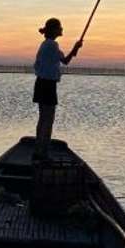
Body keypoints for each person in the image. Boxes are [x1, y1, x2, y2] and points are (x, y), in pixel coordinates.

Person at [32, 17, 81, 159]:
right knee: (48, 119)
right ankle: (43, 153)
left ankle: (39, 150)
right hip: (47, 85)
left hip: (41, 83)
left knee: (43, 118)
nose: (62, 29)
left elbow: (64, 60)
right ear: (54, 30)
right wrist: (75, 48)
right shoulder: (52, 45)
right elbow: (65, 61)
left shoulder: (47, 44)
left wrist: (75, 48)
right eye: (60, 27)